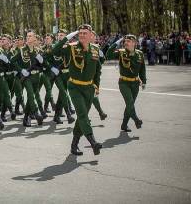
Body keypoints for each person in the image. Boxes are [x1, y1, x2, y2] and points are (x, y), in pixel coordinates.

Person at [53, 24, 103, 156]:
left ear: (91, 35)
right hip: (75, 87)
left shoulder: (95, 49)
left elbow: (98, 70)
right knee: (82, 115)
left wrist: (96, 85)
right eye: (80, 33)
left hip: (89, 88)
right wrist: (66, 38)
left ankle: (74, 145)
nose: (81, 35)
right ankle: (93, 142)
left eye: (84, 33)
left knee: (82, 117)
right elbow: (54, 51)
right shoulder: (72, 47)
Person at [106, 34, 146, 132]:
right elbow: (108, 55)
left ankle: (124, 125)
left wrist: (143, 81)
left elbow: (142, 69)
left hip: (135, 83)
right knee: (130, 102)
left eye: (128, 41)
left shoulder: (140, 54)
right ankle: (136, 120)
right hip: (124, 82)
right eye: (125, 41)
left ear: (134, 43)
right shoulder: (121, 52)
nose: (126, 43)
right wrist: (115, 43)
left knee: (130, 105)